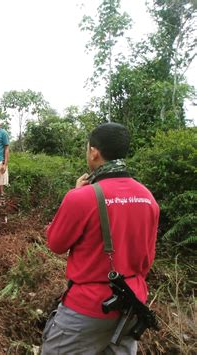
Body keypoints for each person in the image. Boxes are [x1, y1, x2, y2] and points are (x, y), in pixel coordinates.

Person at [41, 123, 159, 355]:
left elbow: (56, 243)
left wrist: (73, 193)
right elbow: (147, 260)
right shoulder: (147, 197)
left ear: (94, 152)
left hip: (87, 308)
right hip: (131, 305)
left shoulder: (82, 197)